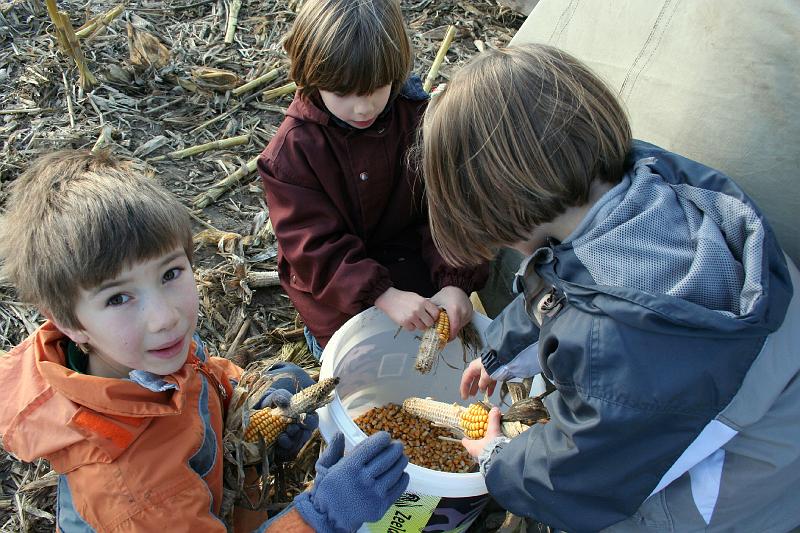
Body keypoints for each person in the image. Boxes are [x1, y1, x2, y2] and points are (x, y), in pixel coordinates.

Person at [421, 45, 800, 532]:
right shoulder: (640, 188)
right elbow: (561, 279)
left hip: (742, 474)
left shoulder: (616, 347)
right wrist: (502, 349)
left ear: (502, 204)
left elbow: (581, 475)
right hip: (742, 392)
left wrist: (498, 458)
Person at [0, 150, 409, 532]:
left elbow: (199, 378)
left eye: (170, 274)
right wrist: (322, 514)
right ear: (70, 324)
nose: (165, 316)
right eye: (118, 298)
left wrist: (245, 398)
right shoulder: (136, 491)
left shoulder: (139, 354)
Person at [257, 0, 487, 359]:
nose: (363, 108)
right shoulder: (291, 155)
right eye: (344, 93)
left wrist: (456, 282)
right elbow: (314, 249)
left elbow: (450, 208)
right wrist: (380, 293)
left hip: (418, 276)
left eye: (377, 88)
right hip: (339, 295)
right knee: (359, 362)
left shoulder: (419, 119)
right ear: (311, 78)